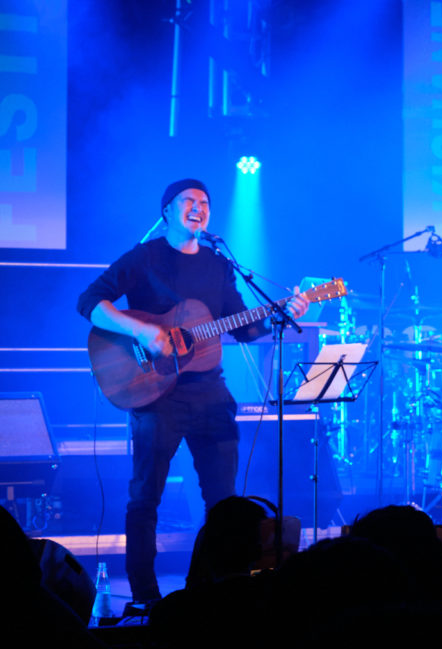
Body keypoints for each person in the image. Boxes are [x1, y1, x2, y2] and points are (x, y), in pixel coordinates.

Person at [76, 179, 308, 603]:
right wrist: (143, 330)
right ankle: (145, 596)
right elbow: (89, 300)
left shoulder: (220, 264)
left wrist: (280, 314)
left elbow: (243, 326)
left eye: (205, 202)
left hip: (210, 395)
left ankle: (213, 592)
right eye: (189, 201)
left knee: (224, 503)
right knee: (146, 497)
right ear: (167, 211)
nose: (199, 207)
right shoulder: (144, 257)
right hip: (155, 394)